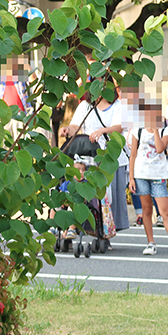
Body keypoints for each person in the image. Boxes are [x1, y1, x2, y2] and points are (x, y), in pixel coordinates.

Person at [59, 87, 130, 230]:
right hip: (89, 157)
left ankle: (105, 232)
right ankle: (89, 228)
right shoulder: (85, 106)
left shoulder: (118, 106)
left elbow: (119, 127)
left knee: (110, 198)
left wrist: (103, 131)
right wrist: (67, 130)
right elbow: (75, 126)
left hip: (111, 159)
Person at [128, 104, 168, 257]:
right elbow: (133, 155)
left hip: (158, 175)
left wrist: (156, 131)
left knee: (165, 211)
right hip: (141, 175)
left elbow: (159, 148)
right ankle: (150, 243)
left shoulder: (166, 130)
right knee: (146, 210)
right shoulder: (138, 130)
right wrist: (131, 178)